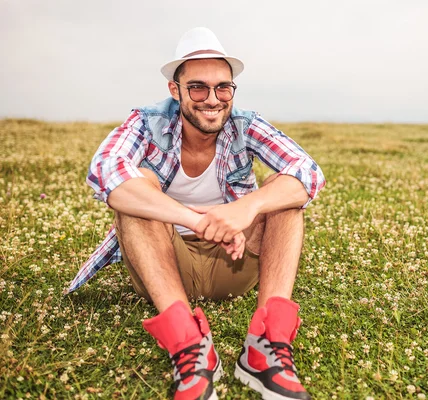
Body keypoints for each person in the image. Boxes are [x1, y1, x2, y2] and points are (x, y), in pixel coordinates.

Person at [65, 27, 325, 400]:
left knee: (284, 195)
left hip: (234, 262)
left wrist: (245, 208)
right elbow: (105, 172)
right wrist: (198, 220)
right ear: (176, 90)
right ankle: (188, 346)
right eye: (198, 87)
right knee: (137, 186)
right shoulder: (147, 121)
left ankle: (266, 347)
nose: (213, 99)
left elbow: (308, 172)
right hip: (167, 264)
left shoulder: (246, 124)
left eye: (223, 87)